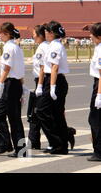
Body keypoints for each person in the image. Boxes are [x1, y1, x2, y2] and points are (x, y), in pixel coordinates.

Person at [0, 22, 27, 158]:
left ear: (7, 34)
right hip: (15, 84)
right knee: (4, 116)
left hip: (11, 85)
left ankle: (18, 148)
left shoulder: (9, 48)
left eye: (1, 33)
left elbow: (7, 68)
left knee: (11, 118)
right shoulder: (16, 47)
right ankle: (10, 144)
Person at [35, 21, 71, 155]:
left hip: (55, 81)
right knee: (56, 115)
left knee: (43, 111)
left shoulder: (55, 46)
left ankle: (57, 142)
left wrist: (52, 87)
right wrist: (40, 85)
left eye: (46, 31)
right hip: (52, 80)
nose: (44, 33)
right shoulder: (52, 45)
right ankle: (61, 144)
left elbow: (54, 67)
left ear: (51, 33)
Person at [88, 22, 101, 161]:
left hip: (99, 85)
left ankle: (99, 152)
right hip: (97, 84)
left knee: (95, 120)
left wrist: (99, 95)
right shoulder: (98, 47)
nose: (90, 36)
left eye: (92, 33)